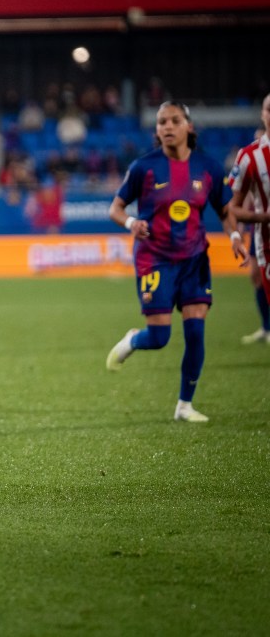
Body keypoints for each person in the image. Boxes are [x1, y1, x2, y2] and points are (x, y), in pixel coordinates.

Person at [105, 100, 246, 423]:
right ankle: (133, 340)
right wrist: (130, 223)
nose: (167, 127)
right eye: (161, 122)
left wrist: (236, 237)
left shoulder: (208, 167)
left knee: (196, 332)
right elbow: (115, 208)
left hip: (195, 259)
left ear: (189, 126)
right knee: (159, 338)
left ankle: (184, 405)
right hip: (155, 259)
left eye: (174, 121)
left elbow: (226, 211)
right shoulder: (144, 167)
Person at [227, 98, 270, 330]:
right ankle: (266, 327)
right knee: (255, 276)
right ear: (262, 115)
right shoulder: (250, 157)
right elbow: (234, 206)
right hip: (265, 239)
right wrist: (260, 220)